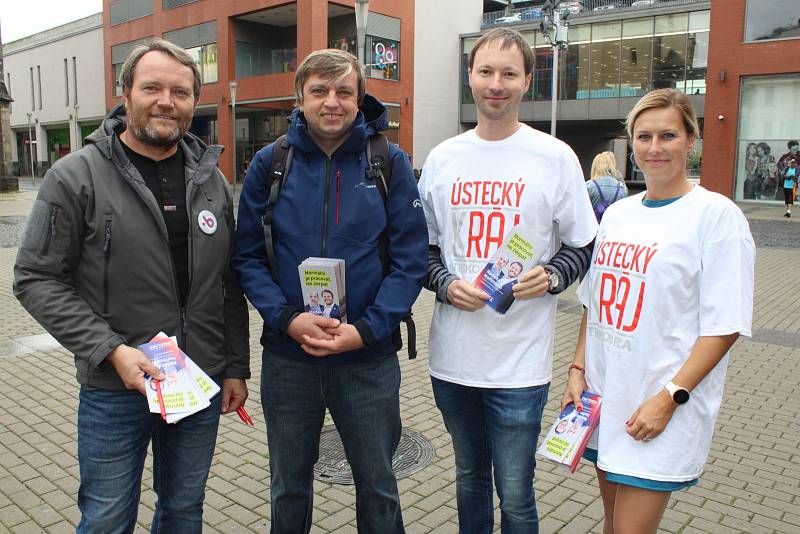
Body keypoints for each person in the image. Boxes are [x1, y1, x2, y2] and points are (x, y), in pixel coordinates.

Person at [13, 39, 250, 532]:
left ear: (193, 103)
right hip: (114, 385)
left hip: (196, 381)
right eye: (153, 88)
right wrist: (110, 349)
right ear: (125, 94)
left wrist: (234, 368)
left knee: (184, 509)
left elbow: (228, 284)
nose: (167, 100)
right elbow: (35, 278)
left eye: (181, 92)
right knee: (105, 517)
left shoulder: (211, 179)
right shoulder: (75, 176)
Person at [232, 48, 427, 533]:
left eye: (344, 91)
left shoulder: (388, 161)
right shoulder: (269, 164)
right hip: (289, 356)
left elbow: (410, 260)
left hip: (366, 359)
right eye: (319, 91)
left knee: (379, 486)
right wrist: (286, 318)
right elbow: (248, 257)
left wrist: (367, 330)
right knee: (288, 485)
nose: (332, 102)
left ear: (359, 99)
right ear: (300, 97)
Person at [419, 27, 598, 533]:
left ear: (526, 82)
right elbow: (422, 250)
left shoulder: (555, 156)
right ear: (470, 78)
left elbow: (584, 243)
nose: (496, 84)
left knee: (517, 492)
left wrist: (555, 274)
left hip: (521, 365)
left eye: (509, 74)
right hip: (453, 360)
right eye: (486, 72)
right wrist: (443, 283)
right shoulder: (443, 158)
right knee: (469, 478)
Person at [561, 88, 755, 534]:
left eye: (668, 135)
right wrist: (577, 368)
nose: (654, 148)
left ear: (691, 139)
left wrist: (670, 397)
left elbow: (724, 327)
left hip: (660, 406)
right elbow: (596, 302)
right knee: (612, 523)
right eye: (643, 136)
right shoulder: (618, 215)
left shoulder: (717, 218)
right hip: (606, 400)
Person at [586, 151, 628, 222]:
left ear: (595, 166)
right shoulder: (622, 188)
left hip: (593, 229)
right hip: (613, 229)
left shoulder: (589, 186)